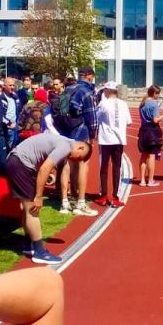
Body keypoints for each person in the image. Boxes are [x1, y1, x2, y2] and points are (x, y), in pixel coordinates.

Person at [6, 130, 94, 263]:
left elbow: (43, 161)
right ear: (80, 147)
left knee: (26, 207)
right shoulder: (66, 146)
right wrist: (39, 196)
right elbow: (45, 168)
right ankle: (40, 252)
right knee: (32, 209)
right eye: (79, 157)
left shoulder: (63, 140)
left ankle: (28, 244)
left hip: (18, 161)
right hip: (20, 164)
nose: (75, 160)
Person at [54, 68, 98, 216]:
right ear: (90, 76)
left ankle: (65, 202)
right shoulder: (86, 91)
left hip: (66, 128)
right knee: (82, 164)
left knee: (67, 163)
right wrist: (93, 134)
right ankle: (80, 202)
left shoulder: (68, 88)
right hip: (80, 129)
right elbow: (91, 114)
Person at [95, 81, 131, 207]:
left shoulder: (103, 103)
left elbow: (96, 119)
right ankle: (115, 197)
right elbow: (129, 122)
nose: (103, 92)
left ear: (108, 91)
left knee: (104, 168)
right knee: (117, 168)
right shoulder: (124, 104)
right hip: (119, 140)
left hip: (105, 140)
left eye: (105, 90)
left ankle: (104, 195)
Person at [138, 85, 163, 186]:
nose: (158, 96)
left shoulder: (142, 103)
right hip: (152, 131)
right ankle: (151, 180)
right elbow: (155, 120)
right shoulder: (154, 104)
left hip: (143, 130)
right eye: (158, 94)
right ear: (154, 93)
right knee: (151, 156)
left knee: (143, 155)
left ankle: (142, 180)